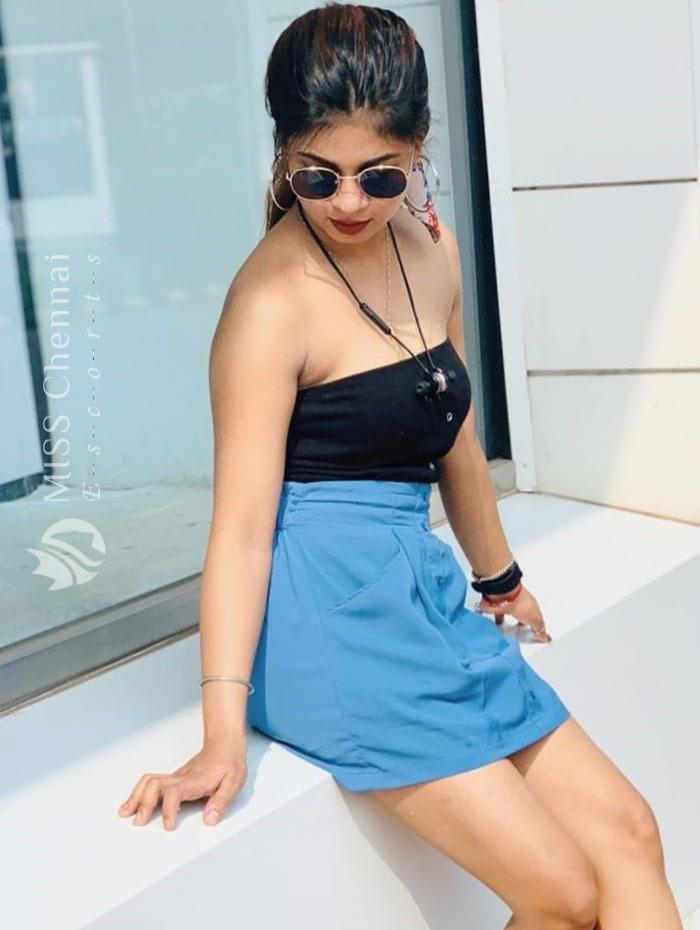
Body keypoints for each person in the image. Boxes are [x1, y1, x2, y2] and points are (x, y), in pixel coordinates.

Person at [118, 5, 683, 928]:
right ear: (283, 154)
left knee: (630, 832)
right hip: (325, 618)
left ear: (419, 149)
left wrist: (500, 578)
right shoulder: (271, 303)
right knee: (562, 894)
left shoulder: (433, 249)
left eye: (380, 175)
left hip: (417, 590)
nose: (349, 203)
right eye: (318, 176)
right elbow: (242, 531)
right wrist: (222, 733)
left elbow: (453, 433)